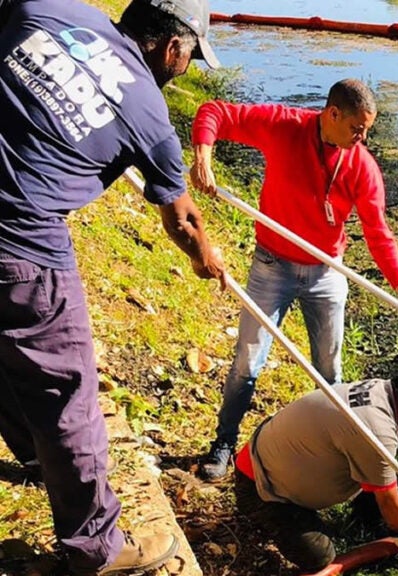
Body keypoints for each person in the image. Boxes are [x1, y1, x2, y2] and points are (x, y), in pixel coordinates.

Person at [0, 0, 224, 574]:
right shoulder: (149, 114)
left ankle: (30, 451)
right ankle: (98, 549)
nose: (189, 68)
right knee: (70, 397)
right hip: (21, 245)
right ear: (172, 48)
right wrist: (206, 258)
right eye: (191, 57)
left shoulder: (48, 7)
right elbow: (182, 219)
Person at [190, 78, 398, 481]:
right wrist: (203, 157)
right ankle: (225, 443)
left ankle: (332, 453)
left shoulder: (361, 165)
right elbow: (215, 112)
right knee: (247, 362)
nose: (363, 137)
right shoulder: (284, 126)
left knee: (329, 373)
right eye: (357, 128)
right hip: (271, 266)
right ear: (332, 114)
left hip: (326, 272)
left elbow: (377, 232)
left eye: (368, 129)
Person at [232, 364, 398, 571]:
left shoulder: (386, 394)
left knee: (384, 466)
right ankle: (265, 517)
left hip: (277, 456)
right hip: (260, 486)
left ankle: (367, 517)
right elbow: (389, 500)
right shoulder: (376, 431)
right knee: (318, 556)